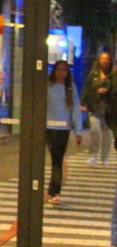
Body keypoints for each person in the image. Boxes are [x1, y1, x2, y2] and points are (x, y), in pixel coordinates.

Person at [46, 60, 82, 206]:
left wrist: (78, 130)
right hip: (49, 127)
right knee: (55, 158)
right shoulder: (48, 87)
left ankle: (55, 191)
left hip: (63, 128)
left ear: (68, 73)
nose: (61, 73)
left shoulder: (70, 89)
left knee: (57, 159)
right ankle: (54, 191)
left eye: (64, 70)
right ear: (54, 70)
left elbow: (75, 110)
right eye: (59, 69)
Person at [81, 51, 112, 165]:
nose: (105, 61)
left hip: (109, 110)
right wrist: (82, 102)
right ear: (99, 60)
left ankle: (105, 158)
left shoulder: (113, 75)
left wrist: (107, 91)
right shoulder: (93, 74)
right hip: (94, 108)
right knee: (95, 131)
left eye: (107, 59)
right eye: (103, 59)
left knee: (107, 135)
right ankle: (94, 155)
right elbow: (86, 88)